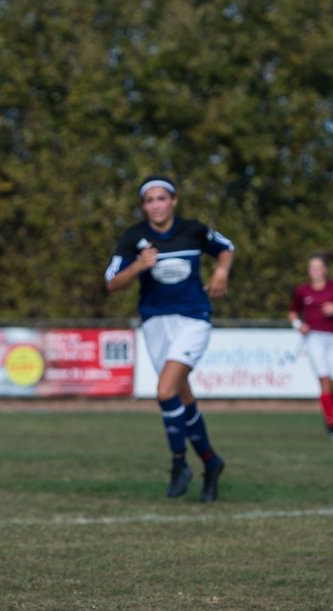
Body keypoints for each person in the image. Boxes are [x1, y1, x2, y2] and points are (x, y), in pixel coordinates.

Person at [104, 175, 234, 501]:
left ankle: (179, 463)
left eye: (161, 198)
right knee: (182, 398)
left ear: (173, 201)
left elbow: (227, 248)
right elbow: (111, 283)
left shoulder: (193, 230)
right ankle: (211, 461)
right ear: (144, 206)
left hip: (193, 319)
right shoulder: (135, 237)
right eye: (149, 200)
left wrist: (221, 272)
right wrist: (139, 265)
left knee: (164, 392)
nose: (156, 205)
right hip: (155, 323)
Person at [289, 252, 333, 440]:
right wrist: (298, 325)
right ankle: (332, 424)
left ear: (325, 270)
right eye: (312, 268)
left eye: (318, 268)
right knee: (324, 381)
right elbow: (293, 312)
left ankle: (329, 411)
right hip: (314, 338)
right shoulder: (302, 291)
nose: (315, 271)